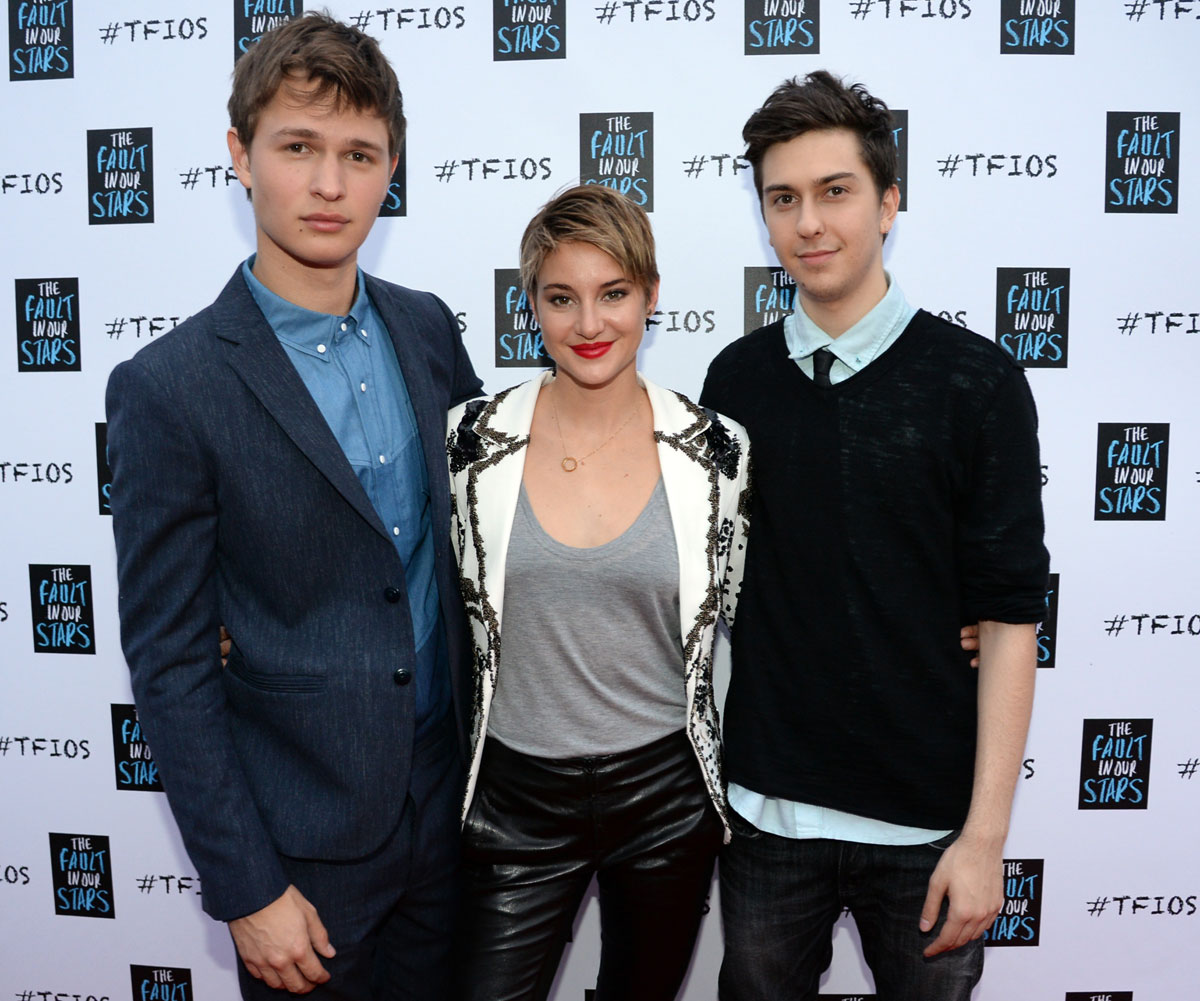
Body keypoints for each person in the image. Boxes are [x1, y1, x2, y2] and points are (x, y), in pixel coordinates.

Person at [105, 14, 481, 999]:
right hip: (300, 859)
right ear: (240, 155)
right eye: (298, 148)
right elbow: (173, 662)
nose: (329, 184)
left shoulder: (429, 328)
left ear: (390, 167)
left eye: (359, 154)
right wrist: (245, 886)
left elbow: (487, 532)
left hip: (453, 816)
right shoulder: (169, 386)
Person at [699, 71, 1049, 1000]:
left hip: (930, 830)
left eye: (835, 191)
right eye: (783, 198)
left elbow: (1012, 615)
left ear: (890, 200)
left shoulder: (977, 382)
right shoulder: (733, 379)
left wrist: (984, 839)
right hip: (768, 819)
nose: (809, 223)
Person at [444, 184, 752, 1001]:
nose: (589, 324)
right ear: (531, 306)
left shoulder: (716, 450)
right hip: (514, 796)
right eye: (562, 297)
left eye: (614, 293)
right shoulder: (472, 439)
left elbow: (765, 610)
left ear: (651, 296)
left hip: (664, 795)